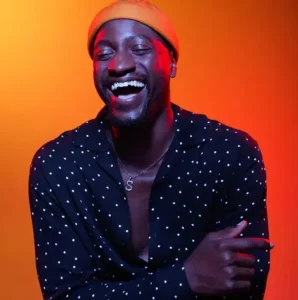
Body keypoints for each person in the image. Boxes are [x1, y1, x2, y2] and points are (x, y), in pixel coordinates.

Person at [28, 0, 274, 299]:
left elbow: (244, 289)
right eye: (104, 53)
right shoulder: (58, 166)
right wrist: (186, 280)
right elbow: (65, 296)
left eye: (140, 48)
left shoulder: (231, 155)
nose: (119, 65)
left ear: (171, 63)